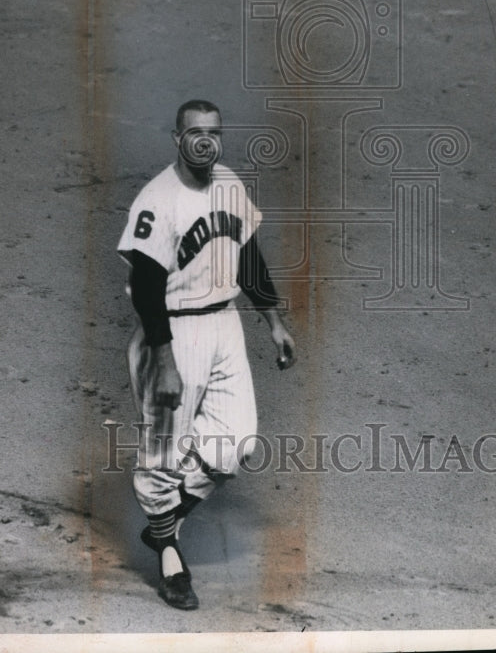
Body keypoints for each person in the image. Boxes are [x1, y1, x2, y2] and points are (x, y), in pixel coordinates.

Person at [117, 98, 296, 610]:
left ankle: (161, 523)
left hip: (225, 323)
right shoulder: (158, 200)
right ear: (177, 138)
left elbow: (249, 258)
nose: (205, 141)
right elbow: (148, 289)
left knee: (235, 443)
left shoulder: (230, 184)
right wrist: (166, 361)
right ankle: (170, 555)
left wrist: (273, 321)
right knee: (162, 453)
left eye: (213, 132)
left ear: (220, 136)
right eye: (194, 132)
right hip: (171, 331)